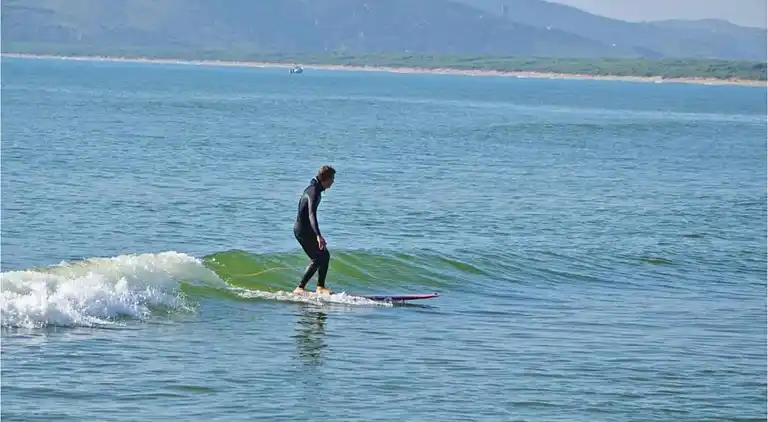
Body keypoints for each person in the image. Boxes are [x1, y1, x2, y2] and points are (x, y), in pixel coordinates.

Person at [292, 165, 336, 295]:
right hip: (303, 230)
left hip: (306, 228)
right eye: (332, 179)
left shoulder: (315, 188)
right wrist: (318, 235)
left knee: (324, 255)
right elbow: (311, 214)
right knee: (318, 258)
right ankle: (299, 288)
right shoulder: (313, 192)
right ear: (325, 179)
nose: (333, 182)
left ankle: (320, 287)